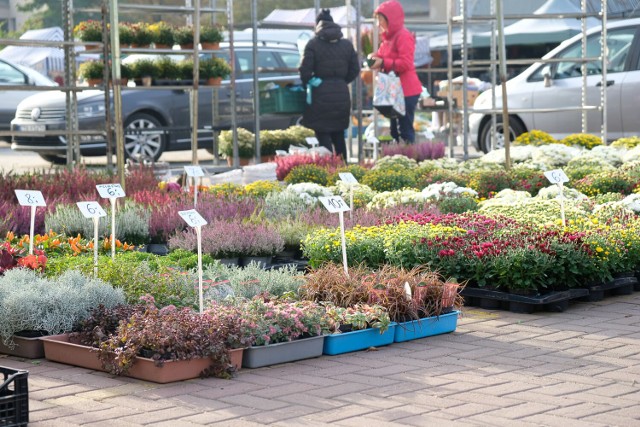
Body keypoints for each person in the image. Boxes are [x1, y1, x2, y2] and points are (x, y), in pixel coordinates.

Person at [299, 9, 360, 162]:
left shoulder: (313, 43)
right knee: (339, 135)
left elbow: (305, 70)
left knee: (323, 133)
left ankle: (327, 171)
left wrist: (311, 81)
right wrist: (341, 81)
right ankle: (343, 170)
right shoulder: (346, 44)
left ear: (318, 25)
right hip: (341, 93)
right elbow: (355, 69)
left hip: (320, 94)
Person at [369, 0, 422, 144]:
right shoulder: (388, 38)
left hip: (406, 91)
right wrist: (374, 58)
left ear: (390, 19)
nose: (379, 23)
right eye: (378, 19)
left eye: (381, 19)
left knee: (404, 131)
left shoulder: (403, 36)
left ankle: (408, 161)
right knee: (395, 132)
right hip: (394, 90)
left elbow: (405, 63)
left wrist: (383, 62)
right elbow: (382, 55)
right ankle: (402, 159)